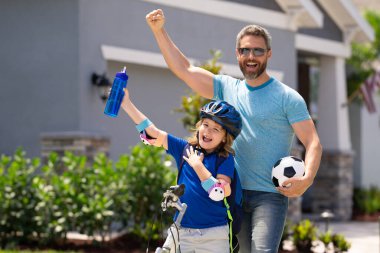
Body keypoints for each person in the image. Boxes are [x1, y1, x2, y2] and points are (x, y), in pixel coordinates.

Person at [145, 9, 323, 253]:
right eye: (245, 50)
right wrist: (159, 31)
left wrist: (307, 179)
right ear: (237, 54)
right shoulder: (226, 88)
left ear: (268, 54)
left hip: (269, 196)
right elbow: (184, 69)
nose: (251, 56)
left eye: (258, 50)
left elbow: (312, 142)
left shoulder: (287, 98)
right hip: (232, 195)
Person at [121, 86, 243, 253]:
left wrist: (197, 165)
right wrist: (126, 104)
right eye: (205, 124)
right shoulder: (185, 149)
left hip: (213, 235)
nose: (207, 131)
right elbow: (153, 133)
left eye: (216, 129)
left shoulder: (224, 158)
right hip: (182, 231)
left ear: (224, 139)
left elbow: (219, 192)